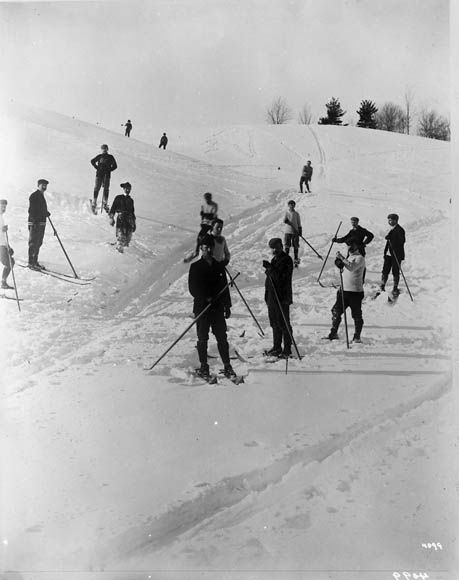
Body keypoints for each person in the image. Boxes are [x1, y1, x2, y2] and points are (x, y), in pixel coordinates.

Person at [188, 234, 235, 380]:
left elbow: (224, 288)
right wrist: (205, 297)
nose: (208, 249)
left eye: (210, 247)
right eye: (205, 247)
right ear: (201, 248)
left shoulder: (219, 266)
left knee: (222, 337)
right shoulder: (195, 267)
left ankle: (227, 366)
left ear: (213, 248)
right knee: (202, 338)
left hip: (217, 308)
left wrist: (227, 306)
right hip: (202, 307)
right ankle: (204, 367)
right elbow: (193, 288)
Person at [327, 241, 365, 342]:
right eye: (349, 247)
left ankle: (357, 336)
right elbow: (346, 269)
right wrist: (339, 264)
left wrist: (342, 258)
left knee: (356, 315)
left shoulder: (360, 258)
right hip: (344, 291)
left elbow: (352, 267)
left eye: (352, 247)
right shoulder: (349, 257)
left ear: (357, 248)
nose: (350, 249)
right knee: (336, 311)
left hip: (355, 292)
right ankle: (333, 333)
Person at [263, 238, 294, 357]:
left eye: (276, 247)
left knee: (284, 323)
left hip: (282, 297)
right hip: (272, 297)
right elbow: (270, 279)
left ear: (281, 246)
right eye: (272, 248)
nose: (274, 250)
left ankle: (287, 349)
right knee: (274, 323)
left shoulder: (287, 260)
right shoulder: (274, 259)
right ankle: (277, 347)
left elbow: (281, 278)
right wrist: (267, 296)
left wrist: (270, 268)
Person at [185, 192, 219, 262]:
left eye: (208, 198)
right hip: (204, 224)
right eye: (206, 198)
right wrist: (203, 219)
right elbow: (203, 215)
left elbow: (213, 216)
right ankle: (197, 251)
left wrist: (206, 216)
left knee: (207, 238)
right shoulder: (203, 205)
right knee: (200, 237)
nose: (207, 200)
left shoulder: (214, 205)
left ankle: (208, 252)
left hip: (210, 224)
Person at [380, 213, 405, 296]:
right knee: (385, 270)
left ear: (396, 220)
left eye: (391, 220)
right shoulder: (391, 229)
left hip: (396, 254)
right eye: (389, 220)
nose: (390, 222)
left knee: (395, 271)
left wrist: (392, 238)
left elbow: (402, 241)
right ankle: (382, 286)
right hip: (388, 254)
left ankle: (395, 287)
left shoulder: (400, 229)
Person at [28, 179, 50, 269]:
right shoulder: (34, 195)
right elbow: (31, 210)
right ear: (38, 185)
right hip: (35, 223)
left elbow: (40, 209)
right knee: (33, 243)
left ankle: (35, 261)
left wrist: (46, 212)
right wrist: (35, 221)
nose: (44, 187)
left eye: (45, 185)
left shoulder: (41, 195)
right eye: (42, 185)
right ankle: (31, 263)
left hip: (41, 223)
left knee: (39, 242)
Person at [108, 182, 136, 253]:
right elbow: (113, 208)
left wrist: (134, 223)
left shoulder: (131, 200)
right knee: (121, 234)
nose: (128, 190)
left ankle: (125, 251)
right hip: (121, 218)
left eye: (129, 188)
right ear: (123, 189)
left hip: (129, 220)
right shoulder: (118, 198)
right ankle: (119, 249)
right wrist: (111, 218)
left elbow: (132, 212)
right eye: (126, 188)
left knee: (128, 237)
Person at [90, 144, 118, 213]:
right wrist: (97, 168)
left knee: (106, 189)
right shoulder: (100, 156)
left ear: (107, 149)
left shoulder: (110, 157)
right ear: (101, 149)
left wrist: (109, 170)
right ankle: (94, 201)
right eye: (103, 149)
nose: (104, 150)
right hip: (99, 175)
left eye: (105, 148)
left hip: (107, 175)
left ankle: (105, 203)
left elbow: (115, 166)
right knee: (97, 187)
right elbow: (92, 161)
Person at [0, 199, 15, 289]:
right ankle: (3, 282)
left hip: (3, 245)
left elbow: (3, 235)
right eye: (2, 206)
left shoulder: (1, 217)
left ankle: (3, 282)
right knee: (9, 262)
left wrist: (8, 246)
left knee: (10, 262)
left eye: (5, 207)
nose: (3, 208)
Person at [283, 200, 302, 267]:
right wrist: (290, 223)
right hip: (288, 231)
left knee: (296, 245)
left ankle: (296, 260)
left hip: (295, 232)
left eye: (293, 204)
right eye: (290, 204)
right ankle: (286, 260)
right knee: (287, 245)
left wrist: (300, 231)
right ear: (288, 205)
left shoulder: (296, 214)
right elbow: (284, 220)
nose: (292, 206)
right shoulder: (287, 213)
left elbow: (299, 223)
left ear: (294, 205)